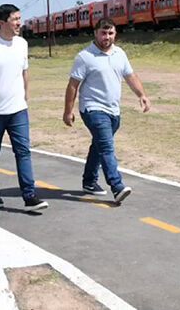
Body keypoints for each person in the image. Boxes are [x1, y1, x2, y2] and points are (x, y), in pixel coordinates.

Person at [63, 17, 150, 203]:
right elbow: (72, 86)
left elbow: (130, 76)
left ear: (115, 34)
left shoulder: (119, 53)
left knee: (99, 145)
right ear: (95, 33)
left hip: (113, 110)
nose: (107, 37)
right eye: (103, 33)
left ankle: (89, 181)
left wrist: (141, 95)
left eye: (110, 33)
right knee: (107, 146)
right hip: (93, 109)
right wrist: (68, 111)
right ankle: (116, 186)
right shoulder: (85, 56)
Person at [0, 4, 48, 212]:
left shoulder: (22, 43)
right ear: (2, 22)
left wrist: (25, 94)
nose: (19, 23)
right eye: (15, 19)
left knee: (23, 151)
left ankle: (29, 195)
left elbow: (25, 72)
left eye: (19, 18)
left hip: (18, 109)